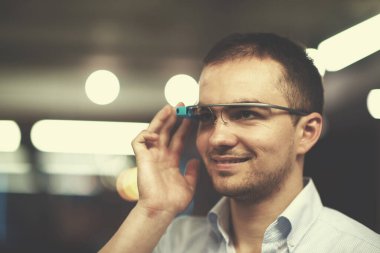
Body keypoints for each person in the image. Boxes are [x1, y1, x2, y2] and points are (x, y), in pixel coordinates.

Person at [99, 33, 380, 253]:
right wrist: (153, 211)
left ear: (306, 132)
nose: (218, 138)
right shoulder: (171, 241)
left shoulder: (360, 248)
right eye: (206, 116)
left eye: (246, 114)